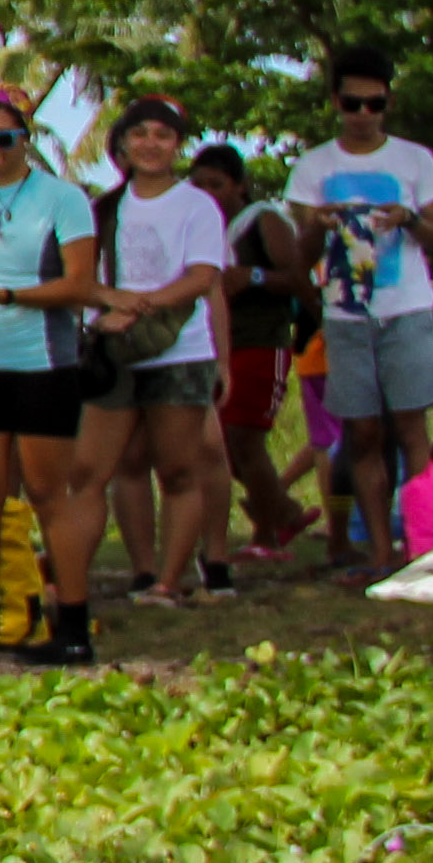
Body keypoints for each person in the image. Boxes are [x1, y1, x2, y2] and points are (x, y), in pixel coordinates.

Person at [0, 87, 107, 666]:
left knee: (44, 494)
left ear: (25, 141)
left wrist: (4, 293)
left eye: (2, 139)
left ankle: (73, 623)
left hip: (44, 362)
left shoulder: (64, 199)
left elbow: (80, 286)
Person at [285, 58, 433, 576]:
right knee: (360, 435)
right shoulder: (313, 167)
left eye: (374, 103)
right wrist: (317, 223)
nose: (364, 113)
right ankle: (380, 551)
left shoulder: (416, 160)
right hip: (345, 314)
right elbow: (301, 253)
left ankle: (422, 546)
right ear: (336, 103)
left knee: (411, 429)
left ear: (388, 105)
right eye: (353, 102)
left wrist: (410, 220)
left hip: (405, 307)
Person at [78, 99, 232, 606]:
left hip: (180, 351)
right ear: (122, 143)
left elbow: (202, 277)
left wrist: (137, 307)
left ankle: (170, 579)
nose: (150, 144)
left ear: (178, 145)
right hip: (114, 350)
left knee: (178, 469)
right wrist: (107, 313)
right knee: (100, 468)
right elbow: (85, 277)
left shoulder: (197, 206)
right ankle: (139, 571)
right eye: (139, 133)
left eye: (163, 135)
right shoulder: (103, 208)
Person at [188, 143, 321, 569]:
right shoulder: (200, 226)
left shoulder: (260, 219)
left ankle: (272, 524)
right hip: (216, 345)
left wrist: (255, 276)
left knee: (244, 437)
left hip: (263, 340)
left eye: (217, 184)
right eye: (200, 185)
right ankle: (281, 514)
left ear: (239, 185)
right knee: (222, 442)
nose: (209, 193)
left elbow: (298, 274)